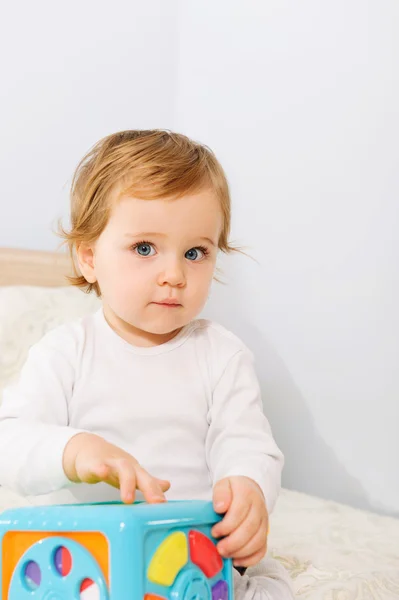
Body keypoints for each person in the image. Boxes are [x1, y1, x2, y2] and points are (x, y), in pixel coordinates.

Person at [0, 130, 293, 599]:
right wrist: (75, 449)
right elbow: (8, 439)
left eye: (195, 252)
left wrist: (248, 488)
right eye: (144, 249)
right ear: (90, 256)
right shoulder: (66, 352)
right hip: (92, 561)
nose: (174, 274)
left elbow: (246, 442)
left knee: (266, 583)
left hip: (191, 555)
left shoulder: (222, 355)